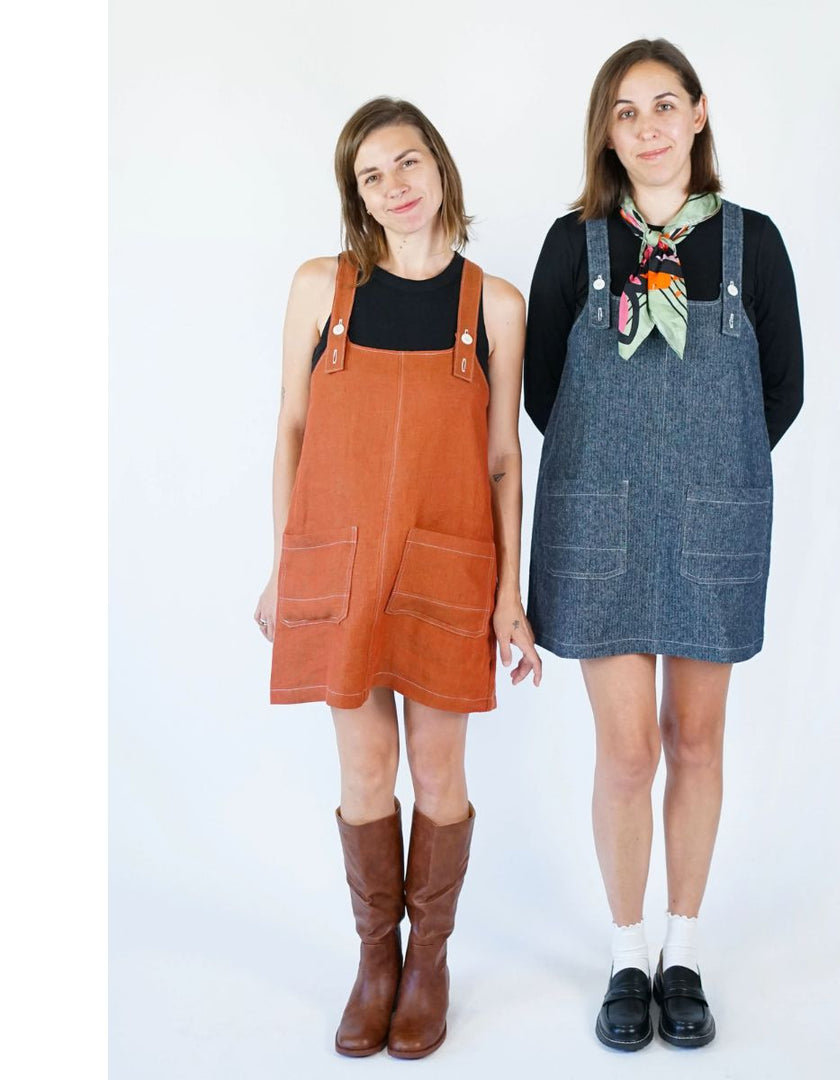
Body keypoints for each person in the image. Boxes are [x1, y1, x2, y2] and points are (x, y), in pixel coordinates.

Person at [524, 40, 803, 1050]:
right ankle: (625, 956)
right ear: (607, 131)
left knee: (696, 739)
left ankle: (682, 949)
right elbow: (543, 392)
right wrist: (624, 470)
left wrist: (705, 468)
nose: (646, 125)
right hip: (598, 516)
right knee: (628, 752)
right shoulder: (575, 245)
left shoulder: (751, 244)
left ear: (696, 116)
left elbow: (785, 388)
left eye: (664, 104)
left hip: (714, 516)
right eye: (625, 110)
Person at [254, 96, 541, 1060]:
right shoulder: (319, 289)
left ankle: (431, 965)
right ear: (357, 196)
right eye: (372, 177)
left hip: (450, 564)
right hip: (338, 564)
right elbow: (292, 430)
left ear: (440, 165)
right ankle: (378, 961)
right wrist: (283, 564)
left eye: (407, 163)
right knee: (365, 768)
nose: (395, 188)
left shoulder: (493, 305)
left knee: (439, 770)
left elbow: (504, 459)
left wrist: (510, 595)